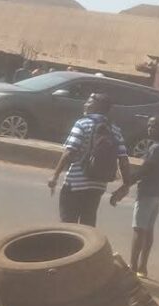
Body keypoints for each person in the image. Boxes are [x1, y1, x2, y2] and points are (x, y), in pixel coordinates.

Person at [48, 93, 131, 227]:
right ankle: (89, 247)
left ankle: (69, 248)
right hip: (98, 185)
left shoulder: (82, 124)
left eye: (89, 102)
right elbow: (124, 159)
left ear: (97, 106)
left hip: (75, 183)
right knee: (88, 223)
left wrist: (55, 175)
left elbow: (69, 151)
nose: (85, 104)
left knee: (68, 225)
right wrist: (125, 185)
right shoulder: (114, 129)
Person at [110, 116, 159, 278]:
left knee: (138, 229)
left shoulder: (157, 148)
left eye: (154, 126)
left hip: (149, 192)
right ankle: (142, 267)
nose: (150, 129)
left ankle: (133, 267)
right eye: (149, 126)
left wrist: (125, 185)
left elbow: (145, 170)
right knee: (148, 229)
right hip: (158, 192)